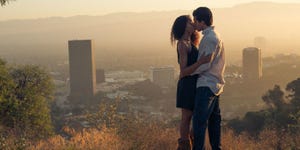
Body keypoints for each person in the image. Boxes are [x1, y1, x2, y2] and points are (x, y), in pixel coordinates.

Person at [170, 15, 211, 150]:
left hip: (195, 84)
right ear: (184, 26)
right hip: (187, 85)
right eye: (189, 22)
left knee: (196, 116)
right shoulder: (182, 44)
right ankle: (184, 146)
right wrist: (201, 62)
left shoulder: (192, 42)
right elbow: (183, 71)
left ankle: (194, 142)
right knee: (187, 117)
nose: (192, 23)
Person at [187, 7, 226, 150]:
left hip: (206, 85)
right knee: (214, 122)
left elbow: (204, 64)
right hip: (215, 85)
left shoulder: (209, 39)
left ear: (201, 21)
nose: (194, 24)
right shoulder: (215, 35)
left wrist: (188, 72)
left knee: (199, 123)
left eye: (195, 20)